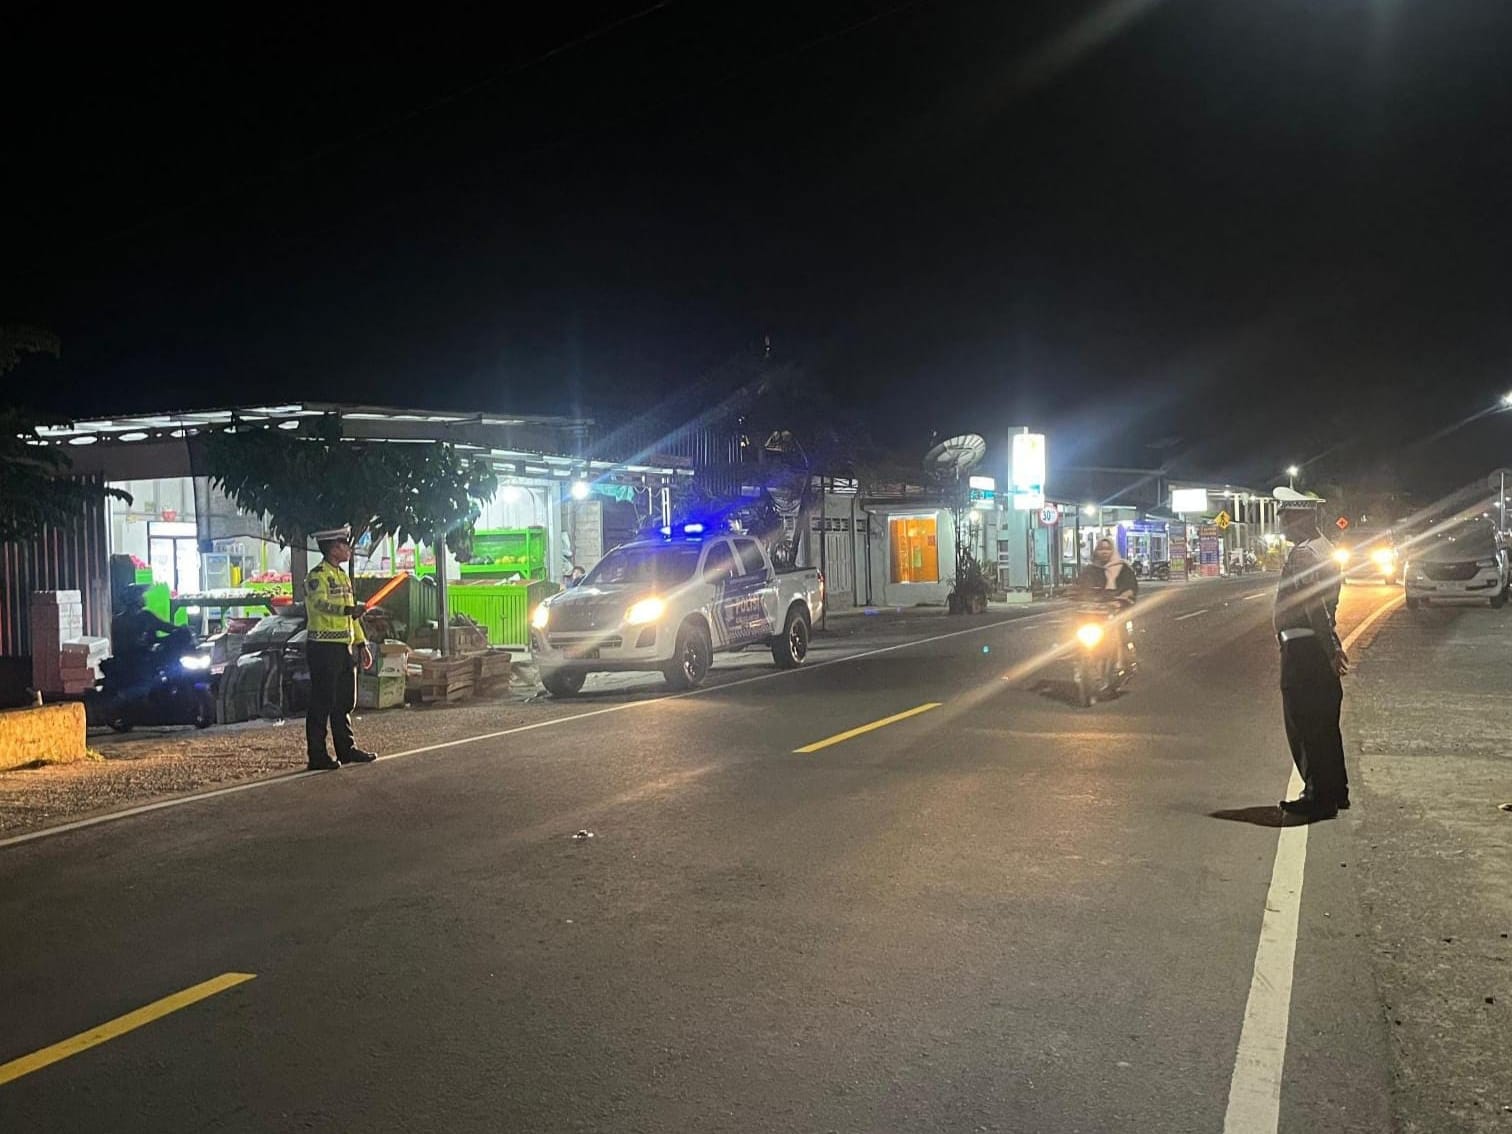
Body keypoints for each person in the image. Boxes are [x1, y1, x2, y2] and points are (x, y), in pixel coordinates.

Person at [1272, 488, 1349, 819]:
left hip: (1304, 650)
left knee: (1305, 723)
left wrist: (1330, 647)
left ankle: (1318, 797)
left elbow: (1313, 605)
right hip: (1316, 645)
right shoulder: (1325, 548)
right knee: (1325, 723)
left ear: (1299, 518)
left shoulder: (1304, 554)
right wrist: (1332, 644)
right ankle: (1335, 790)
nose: (1281, 525)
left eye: (1285, 518)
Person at [304, 525, 376, 771]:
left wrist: (361, 643)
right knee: (322, 702)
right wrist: (348, 610)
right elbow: (321, 604)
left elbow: (351, 616)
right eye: (345, 544)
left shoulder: (343, 577)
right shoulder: (317, 576)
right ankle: (317, 755)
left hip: (344, 646)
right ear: (333, 548)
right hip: (323, 647)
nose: (349, 549)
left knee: (344, 701)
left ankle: (346, 749)